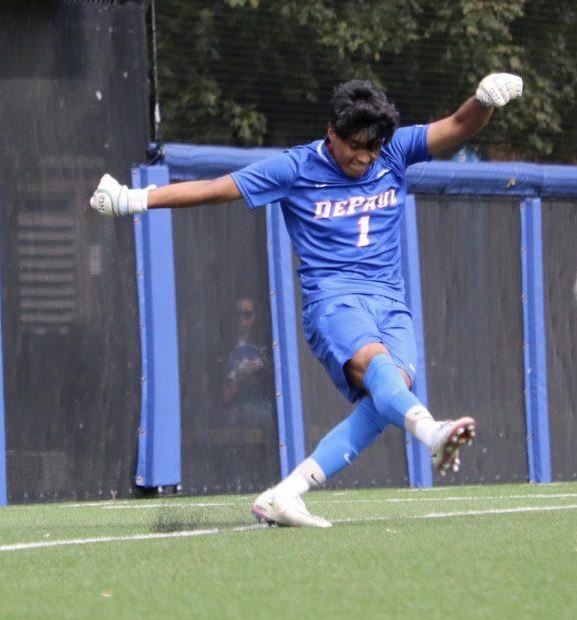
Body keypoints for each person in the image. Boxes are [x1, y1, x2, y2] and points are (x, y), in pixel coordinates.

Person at [90, 72, 524, 528]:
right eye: (355, 144)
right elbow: (214, 189)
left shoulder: (392, 152)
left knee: (385, 399)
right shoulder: (295, 168)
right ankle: (433, 431)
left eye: (373, 147)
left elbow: (457, 125)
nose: (364, 156)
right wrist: (133, 199)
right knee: (379, 369)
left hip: (391, 303)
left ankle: (285, 495)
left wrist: (483, 100)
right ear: (331, 133)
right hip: (334, 302)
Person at [221, 295, 274, 427]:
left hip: (263, 404)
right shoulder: (220, 349)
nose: (242, 320)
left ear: (255, 317)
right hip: (237, 409)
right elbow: (222, 398)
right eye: (237, 314)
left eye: (247, 315)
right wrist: (238, 376)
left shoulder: (264, 348)